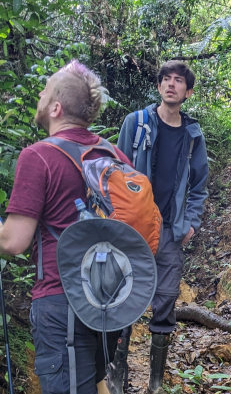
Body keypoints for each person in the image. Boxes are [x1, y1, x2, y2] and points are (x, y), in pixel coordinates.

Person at [0, 60, 129, 394]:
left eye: (45, 91)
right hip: (110, 301)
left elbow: (14, 241)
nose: (40, 94)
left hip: (62, 303)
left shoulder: (38, 156)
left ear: (56, 107)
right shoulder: (113, 154)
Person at [108, 60, 209, 394]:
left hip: (171, 230)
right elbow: (115, 174)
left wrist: (192, 223)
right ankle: (117, 371)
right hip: (133, 228)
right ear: (159, 86)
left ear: (188, 91)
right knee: (120, 295)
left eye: (178, 81)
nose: (171, 85)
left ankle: (155, 381)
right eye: (166, 79)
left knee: (165, 299)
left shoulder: (193, 135)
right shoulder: (135, 123)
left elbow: (199, 186)